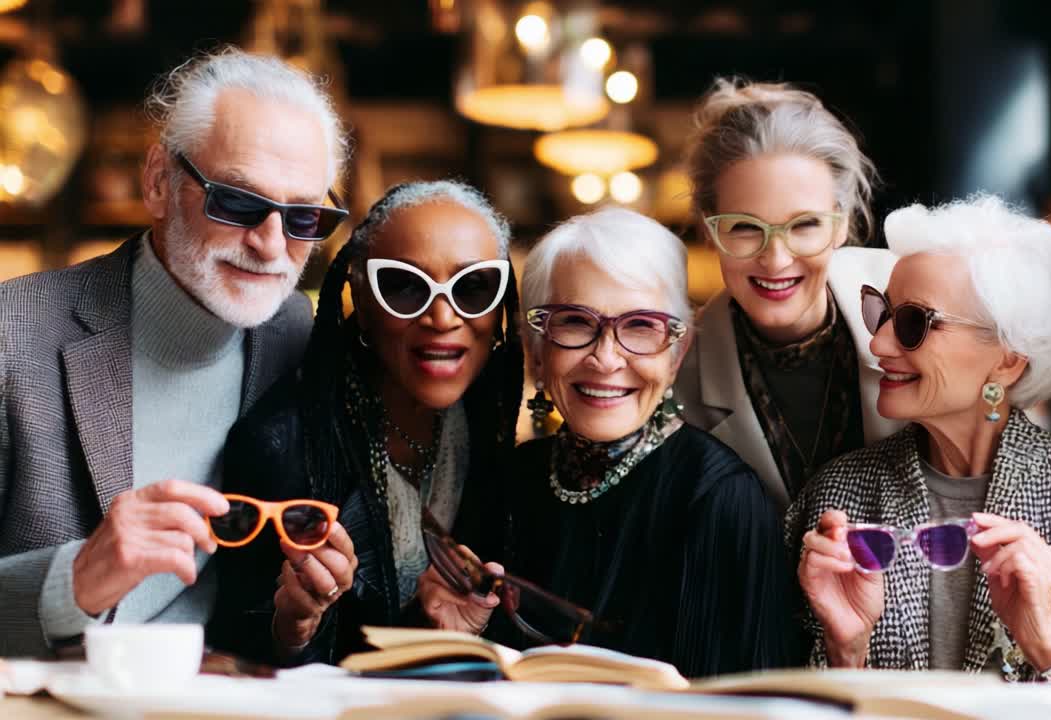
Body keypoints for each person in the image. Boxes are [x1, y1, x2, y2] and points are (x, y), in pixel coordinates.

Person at [0, 47, 348, 656]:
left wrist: (292, 618)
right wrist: (71, 582)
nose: (271, 246)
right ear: (159, 182)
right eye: (238, 202)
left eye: (303, 218)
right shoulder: (12, 331)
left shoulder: (294, 332)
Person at [789, 196, 1051, 680]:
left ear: (1008, 359)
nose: (879, 343)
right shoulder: (840, 498)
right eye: (881, 313)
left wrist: (1049, 646)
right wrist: (845, 653)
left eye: (912, 324)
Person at [418, 208, 795, 678]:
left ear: (677, 353)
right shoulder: (505, 484)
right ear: (536, 348)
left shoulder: (718, 498)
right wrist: (457, 643)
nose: (605, 358)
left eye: (641, 326)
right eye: (575, 321)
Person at [209, 180, 524, 664]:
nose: (443, 317)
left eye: (474, 286)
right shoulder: (282, 444)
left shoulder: (487, 431)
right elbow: (234, 655)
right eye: (403, 286)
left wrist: (436, 628)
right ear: (360, 293)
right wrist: (294, 627)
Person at [675, 79, 902, 513]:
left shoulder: (918, 313)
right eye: (744, 227)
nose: (776, 260)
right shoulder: (677, 372)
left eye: (804, 225)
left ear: (841, 224)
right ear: (709, 231)